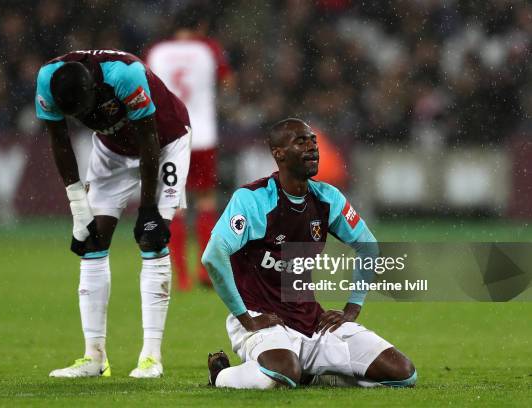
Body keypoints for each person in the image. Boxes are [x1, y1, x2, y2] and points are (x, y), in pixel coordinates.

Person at [201, 118, 416, 389]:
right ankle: (220, 375)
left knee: (402, 374)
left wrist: (353, 308)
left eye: (313, 141)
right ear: (278, 153)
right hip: (264, 321)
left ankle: (310, 373)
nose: (312, 147)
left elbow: (368, 246)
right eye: (301, 141)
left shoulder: (328, 199)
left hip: (312, 321)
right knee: (281, 375)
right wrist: (245, 317)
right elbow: (213, 255)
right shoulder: (252, 199)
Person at [35, 49, 191, 378]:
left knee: (152, 239)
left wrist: (148, 208)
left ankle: (151, 357)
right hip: (112, 151)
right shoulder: (47, 81)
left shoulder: (125, 74)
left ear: (93, 89)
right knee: (93, 241)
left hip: (165, 143)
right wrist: (78, 206)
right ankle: (94, 357)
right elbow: (59, 140)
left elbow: (149, 138)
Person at [146, 5, 234, 290]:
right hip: (203, 135)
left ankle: (181, 276)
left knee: (175, 204)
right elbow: (228, 83)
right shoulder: (209, 49)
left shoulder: (157, 52)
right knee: (206, 200)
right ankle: (205, 271)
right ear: (201, 25)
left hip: (170, 136)